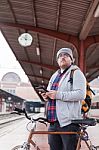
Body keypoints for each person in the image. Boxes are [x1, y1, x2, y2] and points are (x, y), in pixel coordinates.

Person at [41, 48, 86, 150]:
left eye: (66, 55)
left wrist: (58, 95)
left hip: (68, 122)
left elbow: (81, 94)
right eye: (60, 56)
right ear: (57, 61)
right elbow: (51, 94)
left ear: (72, 59)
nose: (62, 57)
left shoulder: (76, 73)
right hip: (53, 121)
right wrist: (47, 96)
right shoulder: (54, 76)